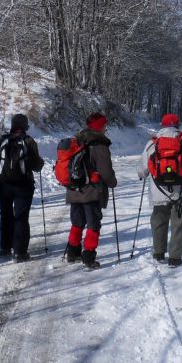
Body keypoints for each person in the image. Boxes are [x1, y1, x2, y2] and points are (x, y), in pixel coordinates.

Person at [137, 113, 182, 267]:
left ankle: (159, 253)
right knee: (178, 223)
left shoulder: (153, 142)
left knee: (159, 221)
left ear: (162, 125)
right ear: (177, 125)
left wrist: (142, 174)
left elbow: (142, 168)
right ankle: (174, 258)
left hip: (158, 190)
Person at [65, 111, 117, 269]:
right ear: (100, 126)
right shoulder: (98, 144)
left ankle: (72, 252)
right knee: (93, 225)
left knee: (77, 222)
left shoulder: (77, 141)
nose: (106, 128)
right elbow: (106, 171)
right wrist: (112, 182)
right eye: (105, 125)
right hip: (92, 192)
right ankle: (88, 256)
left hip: (74, 190)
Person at [0, 113, 44, 262]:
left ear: (12, 126)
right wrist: (41, 162)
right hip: (23, 185)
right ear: (25, 126)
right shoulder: (29, 141)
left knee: (5, 215)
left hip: (2, 185)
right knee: (21, 217)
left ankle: (5, 248)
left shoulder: (2, 140)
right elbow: (37, 166)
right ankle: (20, 252)